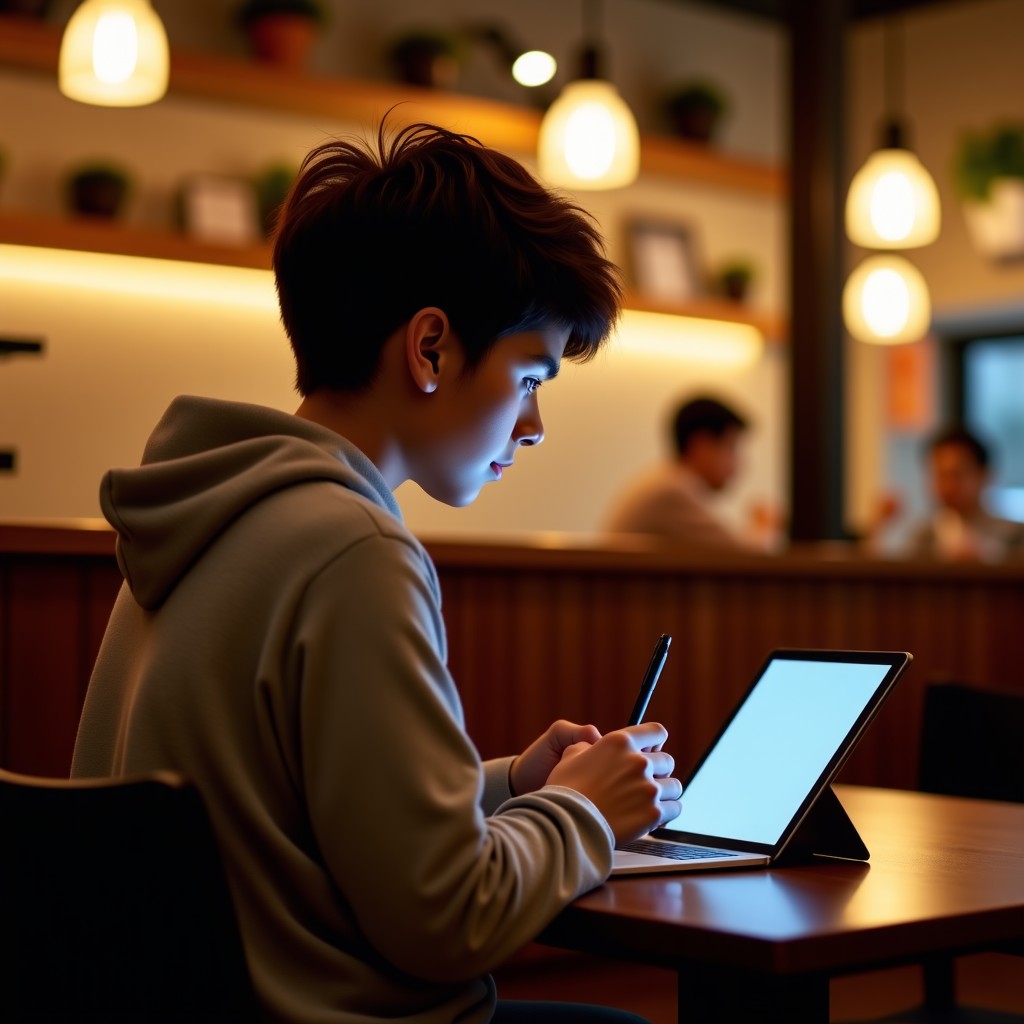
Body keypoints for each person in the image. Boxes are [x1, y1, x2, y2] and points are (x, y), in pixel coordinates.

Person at [69, 121, 683, 1024]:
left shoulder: (198, 516)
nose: (535, 423)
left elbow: (303, 821)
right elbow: (449, 920)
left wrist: (514, 785)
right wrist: (584, 815)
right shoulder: (357, 549)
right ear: (430, 347)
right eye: (528, 376)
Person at [602, 395, 779, 551]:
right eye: (731, 448)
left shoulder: (668, 481)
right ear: (700, 446)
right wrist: (766, 525)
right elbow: (743, 556)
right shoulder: (672, 491)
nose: (739, 464)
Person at [869, 425, 1024, 562]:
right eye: (940, 475)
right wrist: (880, 527)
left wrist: (988, 559)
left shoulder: (1014, 536)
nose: (948, 486)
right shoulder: (924, 536)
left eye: (957, 474)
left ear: (984, 475)